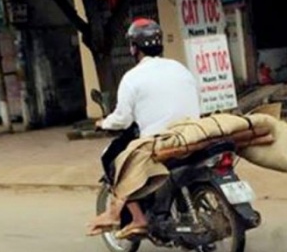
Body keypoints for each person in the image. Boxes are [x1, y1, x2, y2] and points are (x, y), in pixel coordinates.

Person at [86, 17, 201, 238]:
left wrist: (103, 123)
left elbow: (123, 119)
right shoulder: (180, 68)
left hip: (160, 140)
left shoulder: (132, 78)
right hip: (192, 133)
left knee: (116, 160)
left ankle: (139, 219)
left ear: (134, 48)